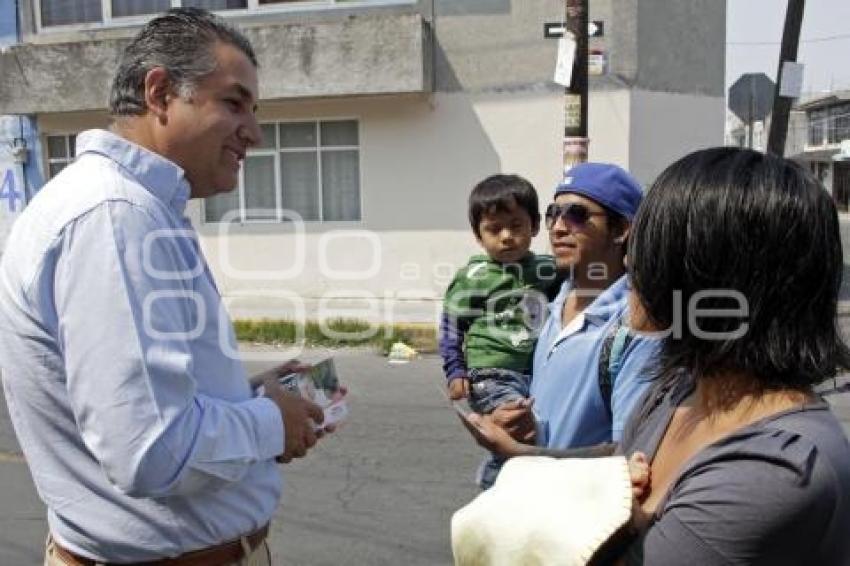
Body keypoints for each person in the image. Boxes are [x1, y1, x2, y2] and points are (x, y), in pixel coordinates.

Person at [0, 8, 330, 565]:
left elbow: (143, 403)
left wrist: (248, 397)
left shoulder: (134, 207)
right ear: (160, 93)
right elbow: (151, 450)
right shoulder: (113, 215)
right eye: (234, 103)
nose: (254, 132)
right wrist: (273, 421)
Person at [463, 148, 850, 564]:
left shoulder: (774, 469)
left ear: (706, 274)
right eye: (555, 214)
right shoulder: (679, 388)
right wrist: (523, 456)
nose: (630, 261)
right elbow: (617, 461)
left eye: (648, 245)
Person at [490, 163, 658, 458]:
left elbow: (631, 455)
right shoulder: (549, 305)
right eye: (553, 214)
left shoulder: (638, 327)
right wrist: (521, 424)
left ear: (620, 229)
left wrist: (521, 453)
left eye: (576, 215)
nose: (558, 228)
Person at [440, 174, 561, 488]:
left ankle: (515, 490)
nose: (506, 236)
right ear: (479, 236)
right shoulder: (474, 276)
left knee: (536, 437)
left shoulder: (547, 269)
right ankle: (492, 488)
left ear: (534, 226)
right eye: (494, 229)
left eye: (516, 226)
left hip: (535, 373)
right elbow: (452, 324)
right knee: (515, 433)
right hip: (490, 374)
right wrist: (455, 371)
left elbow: (583, 277)